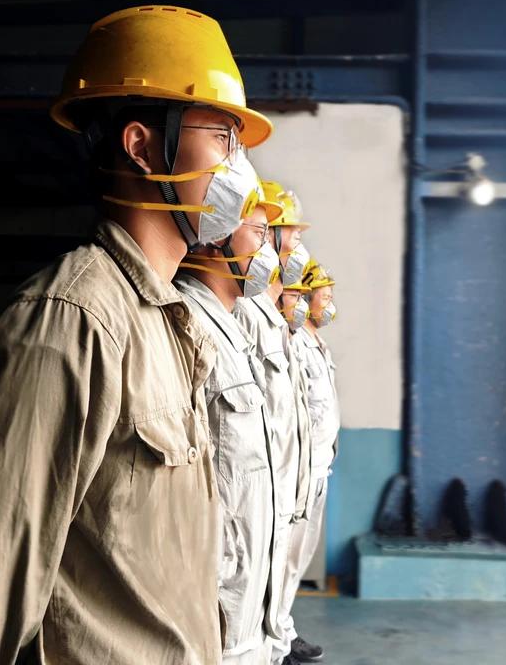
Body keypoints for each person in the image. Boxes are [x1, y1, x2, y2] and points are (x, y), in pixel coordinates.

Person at [0, 4, 272, 665]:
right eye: (222, 138)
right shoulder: (74, 318)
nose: (239, 173)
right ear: (142, 146)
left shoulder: (168, 321)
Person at [175, 196, 282, 664]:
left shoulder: (231, 328)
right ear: (217, 236)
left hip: (244, 579)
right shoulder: (188, 323)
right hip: (216, 578)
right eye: (259, 234)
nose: (270, 253)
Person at [232, 183, 312, 665]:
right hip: (257, 482)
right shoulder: (245, 308)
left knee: (277, 578)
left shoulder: (274, 312)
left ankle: (278, 643)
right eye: (288, 232)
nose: (296, 243)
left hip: (283, 477)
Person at [278, 259, 340, 664]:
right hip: (300, 470)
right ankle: (277, 641)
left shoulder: (318, 342)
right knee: (284, 558)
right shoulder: (296, 342)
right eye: (324, 297)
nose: (329, 304)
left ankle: (284, 630)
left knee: (297, 560)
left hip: (320, 466)